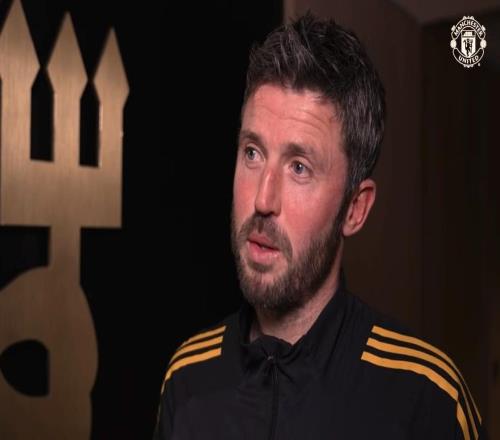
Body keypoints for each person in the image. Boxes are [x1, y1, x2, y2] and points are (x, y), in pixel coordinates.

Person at [153, 12, 483, 440]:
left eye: (299, 167)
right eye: (253, 153)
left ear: (355, 209)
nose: (263, 200)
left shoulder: (427, 398)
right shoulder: (187, 378)